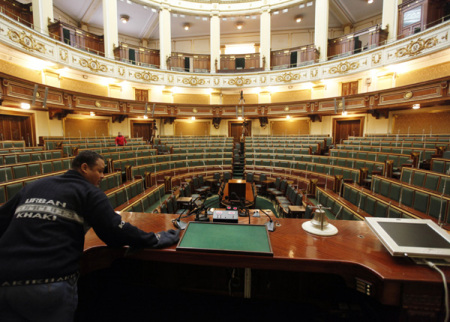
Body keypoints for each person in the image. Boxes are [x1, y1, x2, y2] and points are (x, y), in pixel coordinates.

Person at [0, 150, 179, 321]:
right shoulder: (89, 192)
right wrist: (155, 239)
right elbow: (114, 230)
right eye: (100, 171)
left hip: (6, 280)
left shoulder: (35, 186)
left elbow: (2, 220)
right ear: (84, 167)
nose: (103, 176)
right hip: (49, 283)